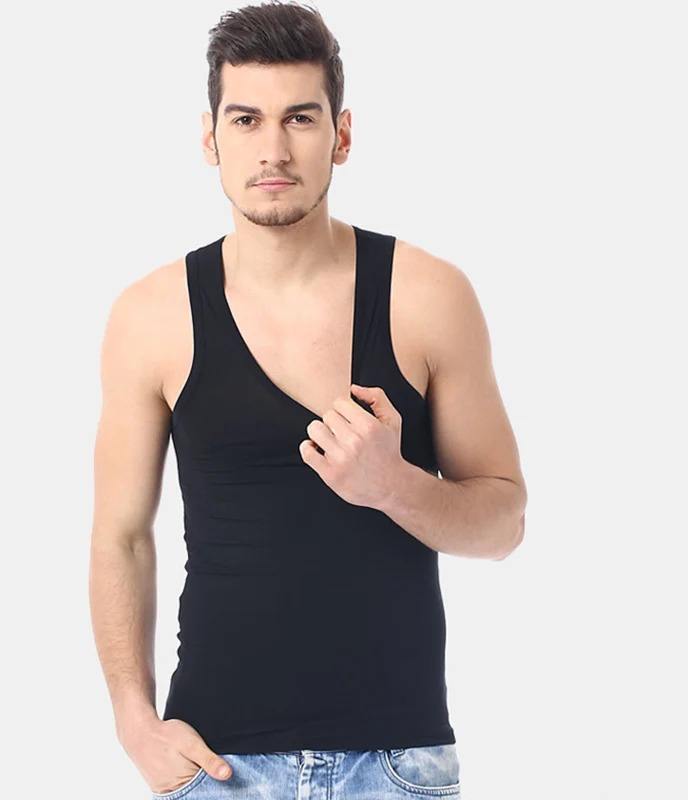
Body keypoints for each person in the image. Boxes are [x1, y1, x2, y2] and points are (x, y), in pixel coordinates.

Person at [89, 2, 527, 797]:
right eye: (246, 120)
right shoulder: (151, 316)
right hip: (214, 765)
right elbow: (121, 537)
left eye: (300, 117)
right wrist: (132, 719)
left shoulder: (428, 298)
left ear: (342, 135)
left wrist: (394, 486)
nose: (274, 149)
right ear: (210, 138)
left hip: (396, 765)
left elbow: (504, 524)